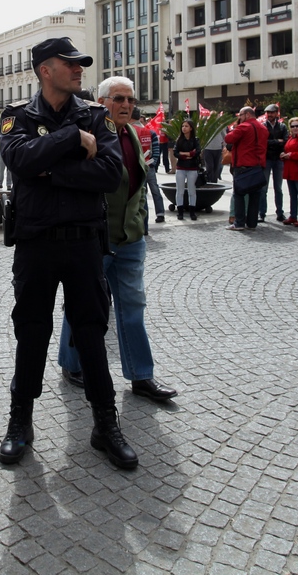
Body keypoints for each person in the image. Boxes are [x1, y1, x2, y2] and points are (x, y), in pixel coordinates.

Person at [0, 36, 137, 469]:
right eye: (70, 63)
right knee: (32, 333)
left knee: (92, 333)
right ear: (44, 70)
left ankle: (104, 424)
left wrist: (49, 170)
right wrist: (73, 139)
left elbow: (110, 172)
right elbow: (18, 160)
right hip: (36, 244)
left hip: (82, 244)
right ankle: (20, 420)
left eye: (80, 64)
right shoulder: (16, 117)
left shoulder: (98, 117)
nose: (79, 69)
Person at [58, 77, 177, 404]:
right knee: (84, 305)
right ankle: (71, 363)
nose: (126, 105)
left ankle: (141, 375)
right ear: (101, 101)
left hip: (130, 240)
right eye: (119, 98)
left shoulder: (132, 135)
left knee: (132, 307)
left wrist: (139, 219)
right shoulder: (89, 137)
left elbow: (138, 184)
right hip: (95, 240)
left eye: (130, 99)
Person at [225, 106, 268, 231]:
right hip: (258, 166)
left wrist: (233, 129)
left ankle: (239, 223)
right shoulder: (263, 128)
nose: (239, 117)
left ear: (247, 115)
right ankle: (252, 223)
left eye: (241, 115)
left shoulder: (244, 127)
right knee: (255, 196)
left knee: (239, 194)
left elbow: (228, 139)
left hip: (243, 166)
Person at [132, 107, 166, 225]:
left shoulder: (131, 131)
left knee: (143, 193)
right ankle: (160, 213)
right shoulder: (150, 132)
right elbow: (156, 150)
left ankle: (144, 222)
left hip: (138, 167)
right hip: (149, 166)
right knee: (155, 190)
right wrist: (153, 163)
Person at [260, 103, 288, 222]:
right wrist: (277, 141)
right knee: (263, 189)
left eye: (272, 112)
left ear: (277, 113)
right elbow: (262, 142)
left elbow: (286, 141)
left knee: (278, 188)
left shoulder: (282, 126)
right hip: (266, 158)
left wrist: (271, 142)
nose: (269, 115)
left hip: (278, 159)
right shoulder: (263, 126)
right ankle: (262, 213)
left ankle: (280, 213)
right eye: (268, 113)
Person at [172, 119, 201, 220]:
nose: (184, 128)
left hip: (192, 168)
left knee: (191, 190)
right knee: (180, 191)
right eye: (183, 126)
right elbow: (175, 153)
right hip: (181, 167)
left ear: (191, 128)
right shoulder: (179, 140)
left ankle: (192, 212)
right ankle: (180, 213)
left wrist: (185, 153)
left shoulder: (195, 140)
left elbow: (197, 152)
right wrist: (187, 155)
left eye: (186, 126)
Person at [202, 115, 226, 183]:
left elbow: (225, 136)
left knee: (216, 167)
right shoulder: (205, 126)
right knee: (210, 166)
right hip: (208, 148)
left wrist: (225, 146)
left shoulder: (220, 126)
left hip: (218, 149)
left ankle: (214, 181)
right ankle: (210, 180)